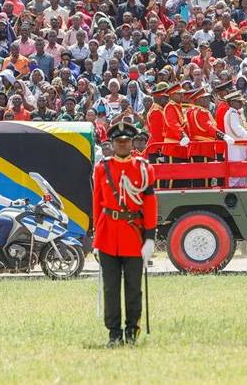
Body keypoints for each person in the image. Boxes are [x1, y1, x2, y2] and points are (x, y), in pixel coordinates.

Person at [92, 122, 157, 347]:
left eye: (126, 141)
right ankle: (114, 332)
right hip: (108, 234)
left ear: (131, 143)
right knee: (111, 288)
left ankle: (132, 329)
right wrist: (96, 238)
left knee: (133, 287)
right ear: (112, 144)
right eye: (118, 142)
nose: (122, 145)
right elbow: (97, 205)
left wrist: (150, 237)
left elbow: (149, 204)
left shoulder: (143, 168)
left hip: (133, 235)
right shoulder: (102, 168)